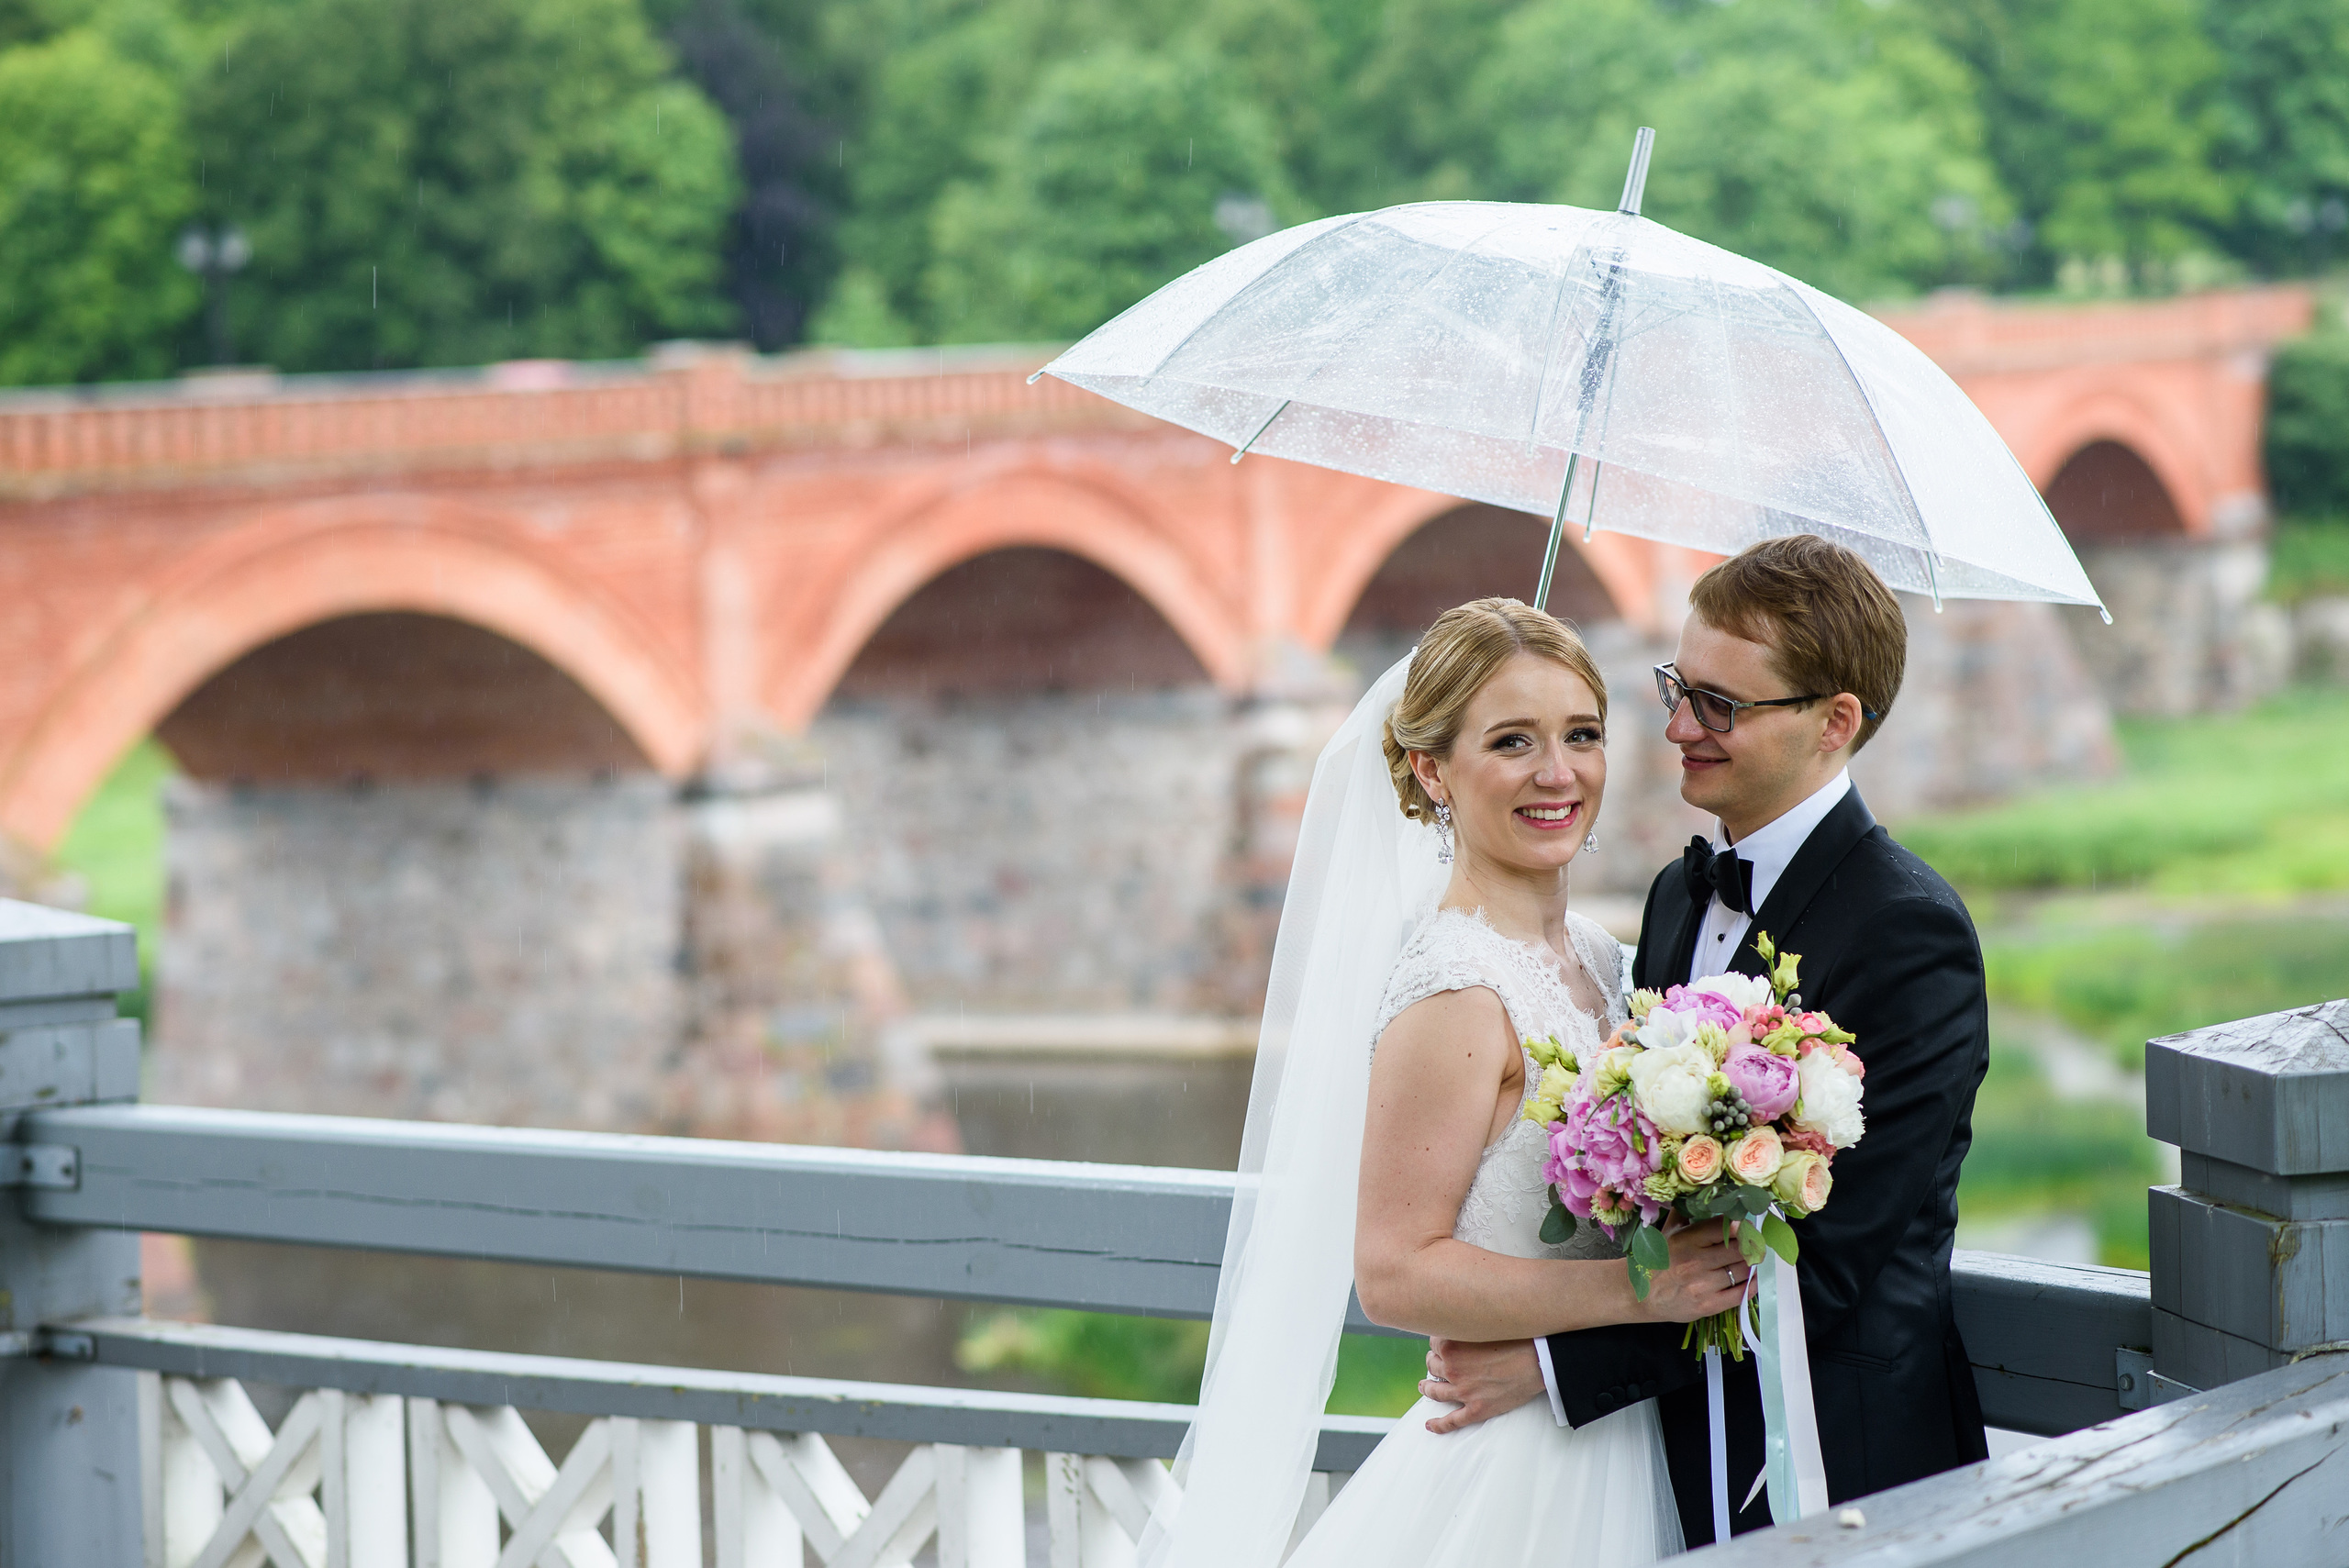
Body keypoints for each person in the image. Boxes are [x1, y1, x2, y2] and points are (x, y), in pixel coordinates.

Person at [1143, 597, 1746, 1568]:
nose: (1558, 773)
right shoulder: (1456, 991)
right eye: (1511, 741)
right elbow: (1395, 1271)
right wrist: (1647, 1290)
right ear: (1432, 770)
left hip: (1620, 1429)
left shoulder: (1603, 958)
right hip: (1520, 1471)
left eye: (1580, 734)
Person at [1419, 535, 1991, 1548]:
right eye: (1678, 687)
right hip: (1664, 1463)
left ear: (1835, 721)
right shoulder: (1677, 897)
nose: (1679, 725)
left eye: (1720, 704)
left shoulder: (1909, 932)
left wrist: (1551, 1366)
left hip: (1849, 1469)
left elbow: (1827, 1269)